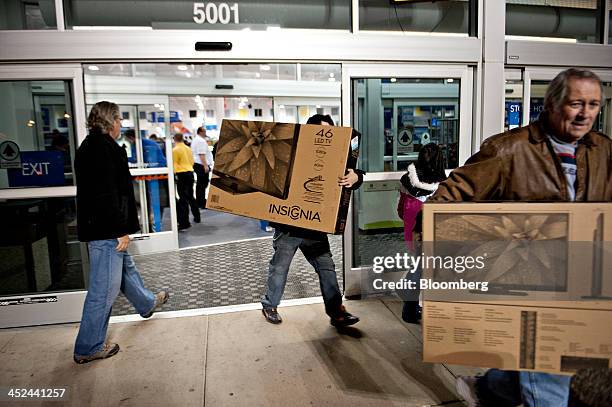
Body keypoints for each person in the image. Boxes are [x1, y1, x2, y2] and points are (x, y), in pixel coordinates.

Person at [430, 68, 611, 406]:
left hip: (587, 281)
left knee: (555, 362)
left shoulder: (604, 151)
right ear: (553, 104)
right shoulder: (508, 150)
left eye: (594, 104)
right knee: (549, 376)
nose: (585, 113)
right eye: (576, 103)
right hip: (535, 282)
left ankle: (488, 389)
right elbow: (447, 203)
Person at [73, 101, 168, 364]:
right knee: (103, 290)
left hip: (100, 227)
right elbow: (106, 195)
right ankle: (88, 347)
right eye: (119, 120)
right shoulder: (103, 149)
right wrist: (120, 230)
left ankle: (146, 303)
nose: (121, 125)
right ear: (111, 121)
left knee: (126, 270)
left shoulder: (90, 146)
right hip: (106, 230)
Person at [261, 114, 365, 327]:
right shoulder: (293, 154)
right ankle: (269, 305)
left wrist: (357, 177)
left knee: (327, 269)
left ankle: (337, 313)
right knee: (280, 268)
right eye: (320, 132)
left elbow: (353, 173)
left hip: (315, 228)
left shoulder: (335, 158)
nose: (325, 138)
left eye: (330, 133)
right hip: (289, 228)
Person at [397, 142, 446, 323]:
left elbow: (401, 208)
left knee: (418, 263)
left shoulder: (406, 179)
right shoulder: (442, 184)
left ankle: (407, 296)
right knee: (421, 266)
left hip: (412, 225)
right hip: (430, 228)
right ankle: (409, 306)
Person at [173, 132, 200, 230]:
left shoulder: (175, 150)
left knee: (182, 199)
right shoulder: (188, 149)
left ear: (174, 139)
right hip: (190, 173)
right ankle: (197, 217)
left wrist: (174, 174)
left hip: (182, 175)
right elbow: (192, 162)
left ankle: (185, 223)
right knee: (190, 197)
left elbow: (175, 165)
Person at [191, 126, 213, 209]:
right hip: (201, 165)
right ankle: (202, 203)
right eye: (204, 131)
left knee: (200, 184)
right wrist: (205, 166)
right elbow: (201, 154)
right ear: (200, 132)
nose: (205, 133)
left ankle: (199, 201)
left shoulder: (196, 140)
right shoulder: (201, 141)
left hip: (198, 164)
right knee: (203, 184)